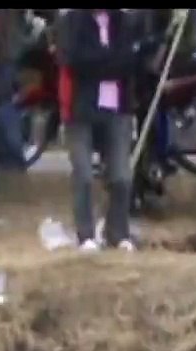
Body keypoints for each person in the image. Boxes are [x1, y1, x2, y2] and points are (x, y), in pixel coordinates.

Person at [57, 8, 139, 253]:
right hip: (80, 108)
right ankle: (85, 234)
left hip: (118, 106)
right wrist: (111, 61)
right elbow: (75, 60)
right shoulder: (70, 22)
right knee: (83, 174)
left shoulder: (124, 22)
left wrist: (103, 61)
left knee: (121, 175)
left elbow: (131, 61)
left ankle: (118, 232)